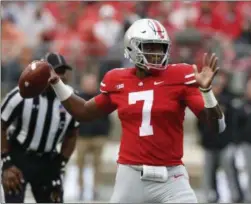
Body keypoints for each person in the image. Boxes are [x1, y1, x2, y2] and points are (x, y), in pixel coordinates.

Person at [47, 19, 226, 203]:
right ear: (132, 47)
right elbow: (84, 111)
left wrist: (206, 92)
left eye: (160, 48)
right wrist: (57, 84)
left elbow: (217, 125)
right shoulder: (118, 79)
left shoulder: (180, 75)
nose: (157, 54)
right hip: (130, 174)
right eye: (150, 47)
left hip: (171, 176)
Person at [1, 52, 79, 203]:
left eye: (63, 72)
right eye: (56, 71)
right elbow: (1, 125)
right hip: (19, 157)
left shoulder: (71, 98)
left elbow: (72, 133)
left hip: (48, 160)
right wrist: (6, 162)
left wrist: (60, 163)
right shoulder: (20, 94)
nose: (61, 76)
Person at [197, 71, 243, 202]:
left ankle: (235, 195)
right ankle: (211, 195)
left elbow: (234, 122)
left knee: (230, 170)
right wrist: (202, 136)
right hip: (209, 143)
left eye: (218, 84)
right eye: (214, 84)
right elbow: (199, 122)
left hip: (225, 142)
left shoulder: (228, 100)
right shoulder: (204, 100)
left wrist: (233, 140)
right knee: (209, 172)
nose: (217, 87)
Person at [76, 74, 111, 200]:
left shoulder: (102, 97)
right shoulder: (78, 98)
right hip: (82, 137)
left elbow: (108, 117)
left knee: (98, 165)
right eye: (87, 83)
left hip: (98, 137)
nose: (90, 86)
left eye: (92, 83)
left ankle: (96, 188)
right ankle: (80, 189)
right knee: (80, 164)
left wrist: (105, 133)